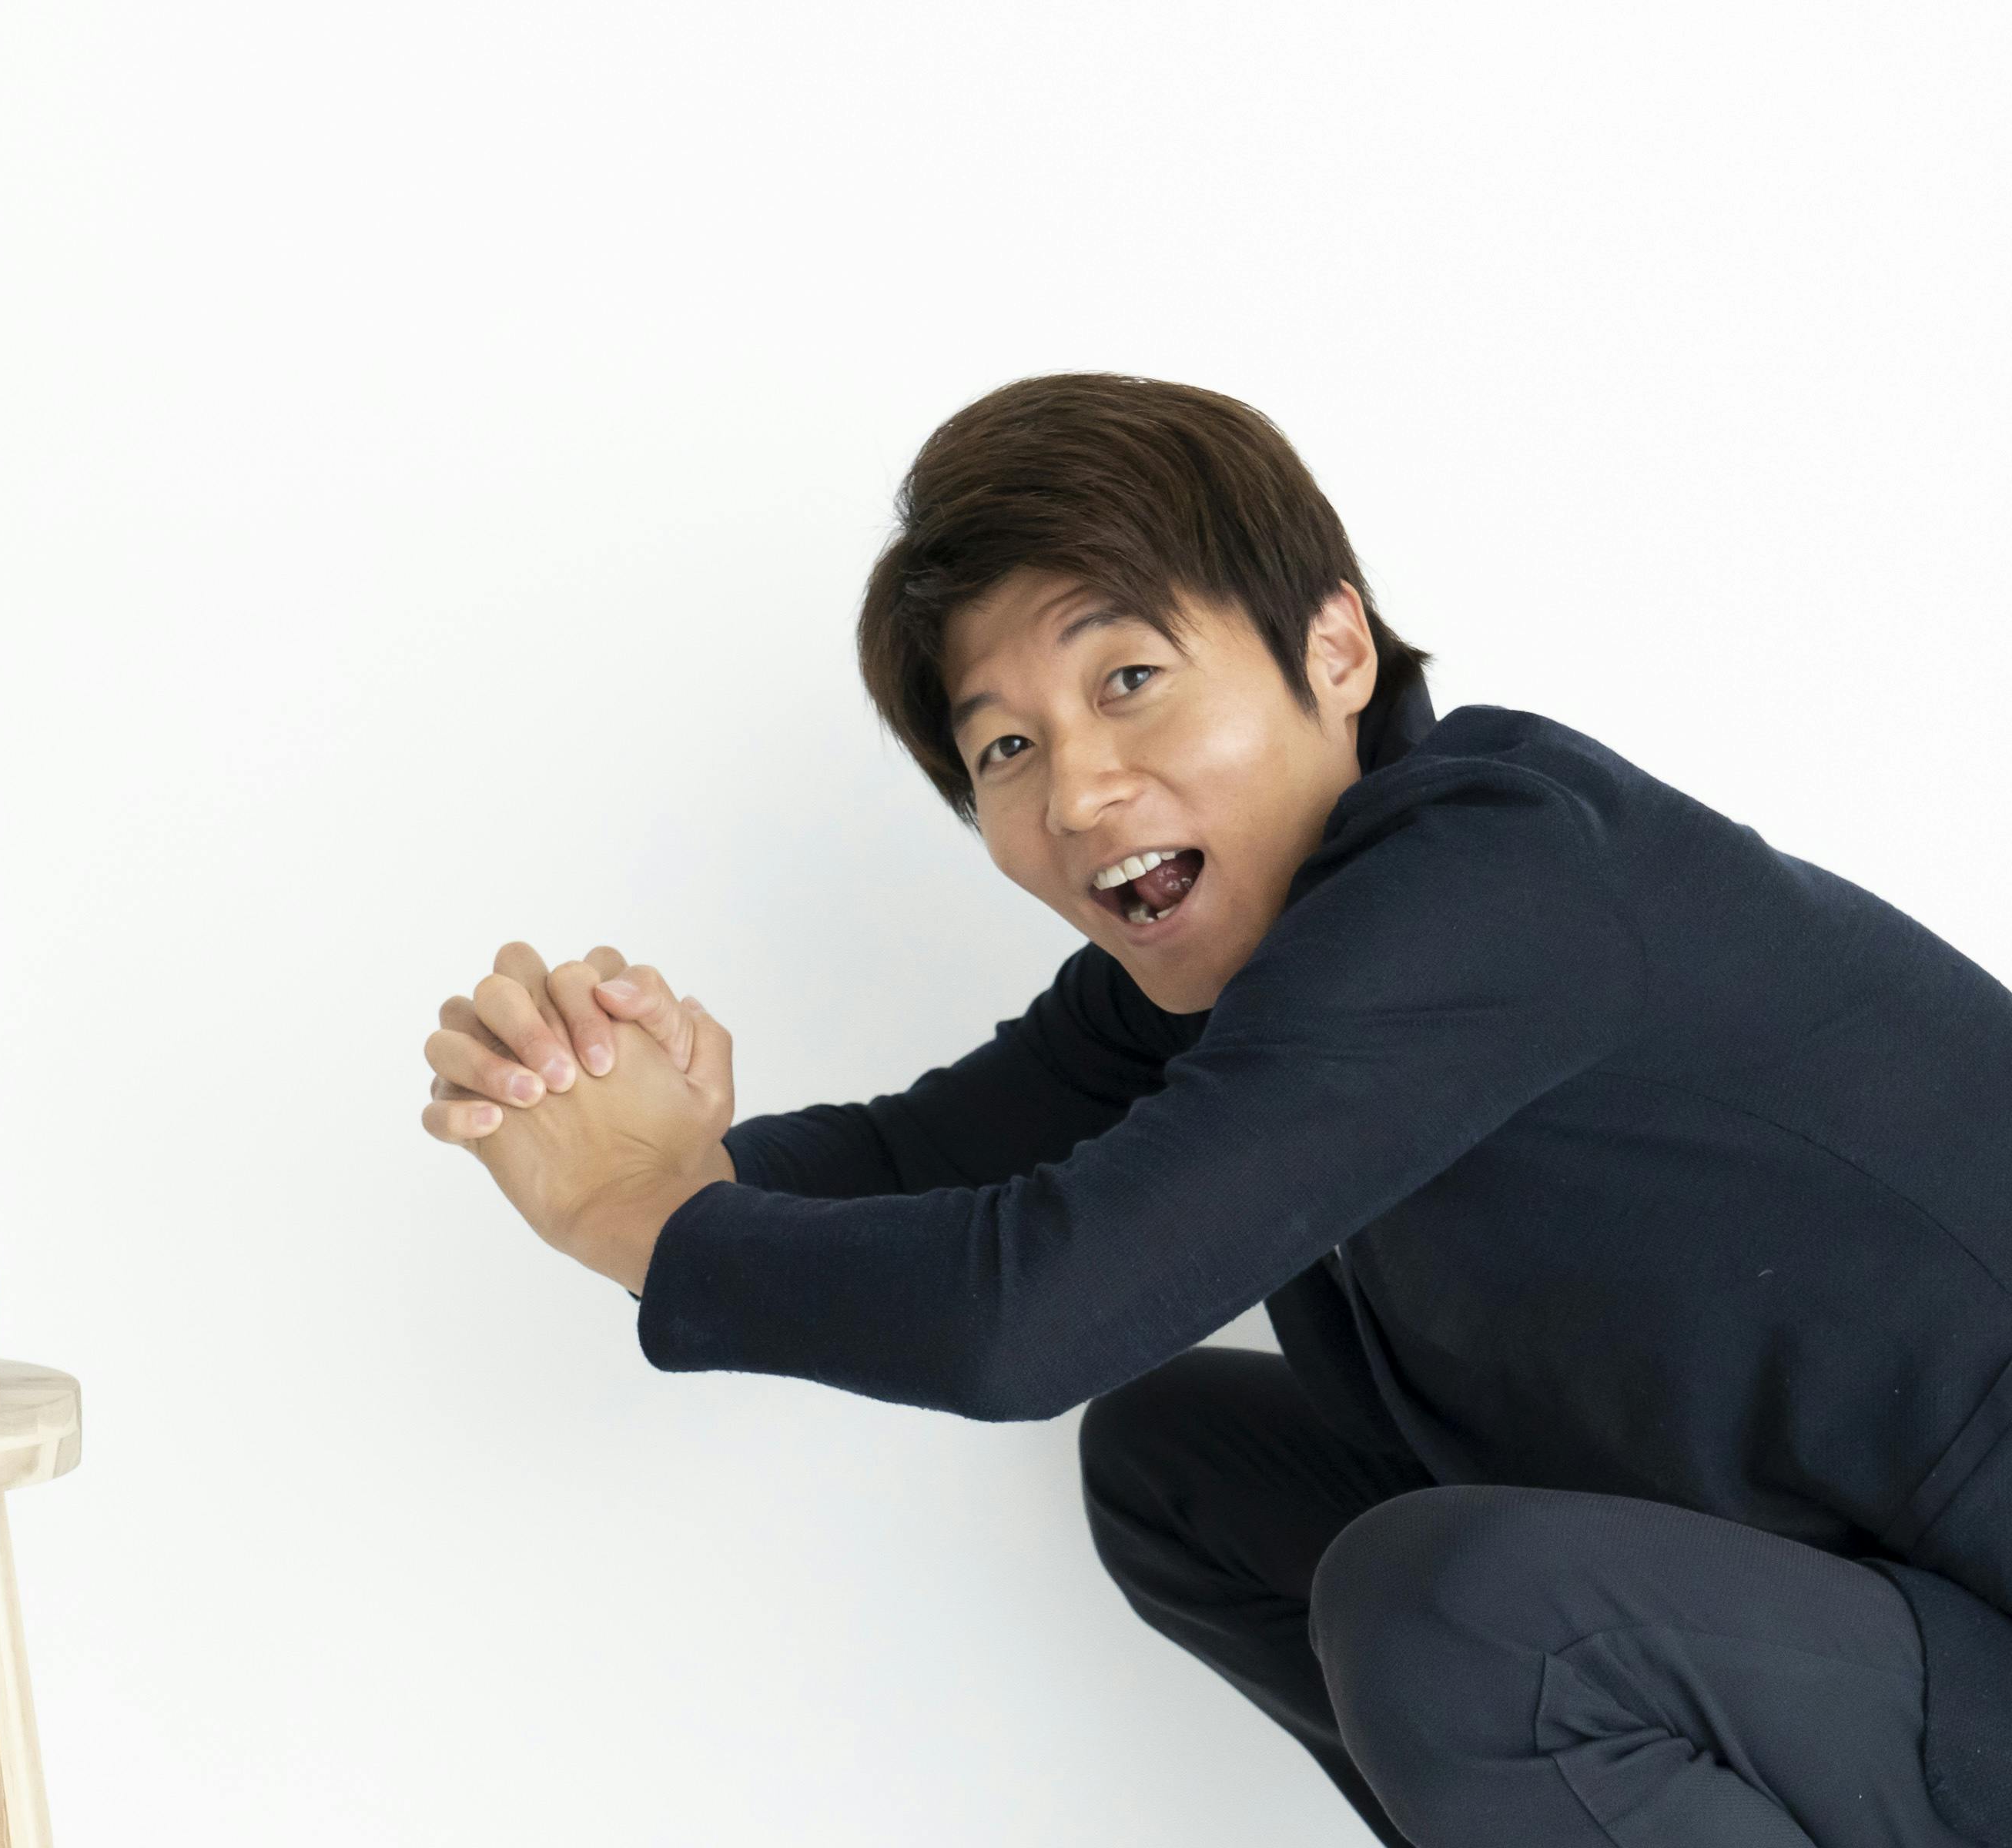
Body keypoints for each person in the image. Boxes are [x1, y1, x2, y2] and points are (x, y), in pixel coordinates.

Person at [415, 373, 2012, 1846]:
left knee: (1468, 1617)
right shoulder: (1247, 958)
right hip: (1885, 1626)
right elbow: (916, 1164)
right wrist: (655, 1141)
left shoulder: (1498, 881)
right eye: (1007, 747)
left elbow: (1030, 1317)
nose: (1078, 790)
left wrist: (639, 1211)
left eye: (1130, 679)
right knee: (1183, 1468)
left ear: (1336, 650)